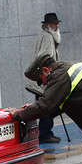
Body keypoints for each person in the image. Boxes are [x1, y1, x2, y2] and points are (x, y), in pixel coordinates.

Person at [26, 13, 62, 143]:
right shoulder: (47, 37)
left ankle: (44, 133)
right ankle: (45, 134)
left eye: (57, 23)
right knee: (48, 106)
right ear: (47, 25)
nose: (57, 26)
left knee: (45, 106)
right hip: (43, 79)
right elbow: (44, 58)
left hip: (40, 79)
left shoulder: (44, 35)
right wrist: (50, 73)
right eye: (54, 23)